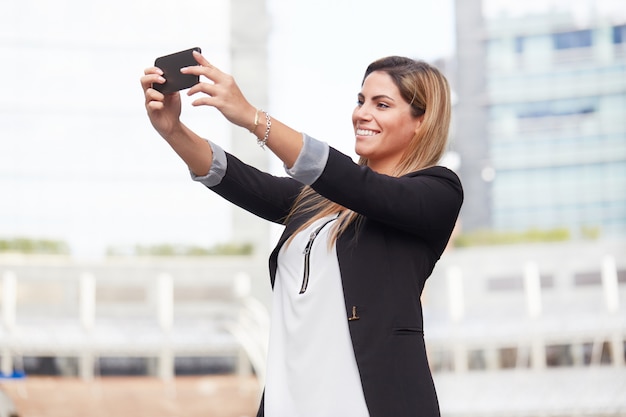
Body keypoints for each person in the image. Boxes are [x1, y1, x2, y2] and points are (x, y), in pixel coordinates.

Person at [140, 50, 463, 417]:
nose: (362, 114)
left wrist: (251, 117)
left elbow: (361, 187)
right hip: (290, 402)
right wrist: (173, 130)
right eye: (360, 101)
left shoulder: (436, 192)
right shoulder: (320, 202)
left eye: (382, 104)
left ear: (421, 121)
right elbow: (239, 179)